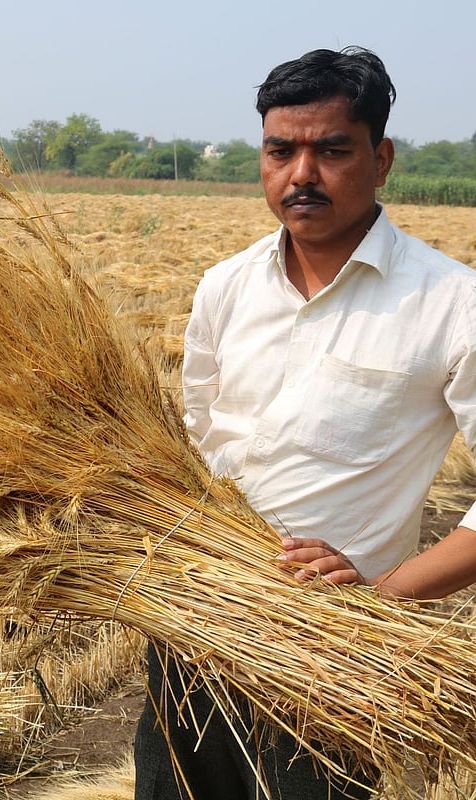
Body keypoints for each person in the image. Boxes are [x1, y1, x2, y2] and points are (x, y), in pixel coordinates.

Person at [133, 46, 476, 799]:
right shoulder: (225, 286)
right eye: (280, 151)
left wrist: (385, 594)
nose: (301, 176)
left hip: (330, 651)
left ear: (381, 158)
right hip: (192, 633)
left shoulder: (453, 304)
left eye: (331, 151)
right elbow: (195, 439)